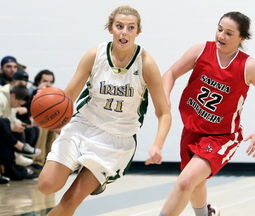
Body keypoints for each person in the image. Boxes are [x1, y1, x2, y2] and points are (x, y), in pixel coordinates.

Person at [38, 5, 171, 216]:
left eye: (130, 27)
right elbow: (69, 95)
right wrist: (51, 116)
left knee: (70, 201)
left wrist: (157, 145)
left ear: (138, 32)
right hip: (83, 125)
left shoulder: (146, 63)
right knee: (46, 185)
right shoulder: (95, 55)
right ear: (110, 28)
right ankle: (83, 165)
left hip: (115, 140)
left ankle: (93, 175)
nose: (124, 32)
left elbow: (164, 112)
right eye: (119, 26)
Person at [159, 11, 255, 216]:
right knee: (196, 184)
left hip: (221, 136)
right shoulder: (200, 51)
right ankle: (206, 214)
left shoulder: (249, 66)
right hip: (191, 130)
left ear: (242, 38)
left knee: (186, 181)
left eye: (229, 33)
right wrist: (165, 96)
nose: (221, 36)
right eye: (219, 29)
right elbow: (170, 73)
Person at [29, 69, 57, 174]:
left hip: (40, 120)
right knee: (43, 125)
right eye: (45, 81)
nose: (48, 84)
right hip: (29, 119)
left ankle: (48, 162)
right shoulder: (31, 90)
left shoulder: (51, 94)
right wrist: (38, 93)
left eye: (50, 82)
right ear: (38, 81)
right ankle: (37, 162)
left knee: (53, 127)